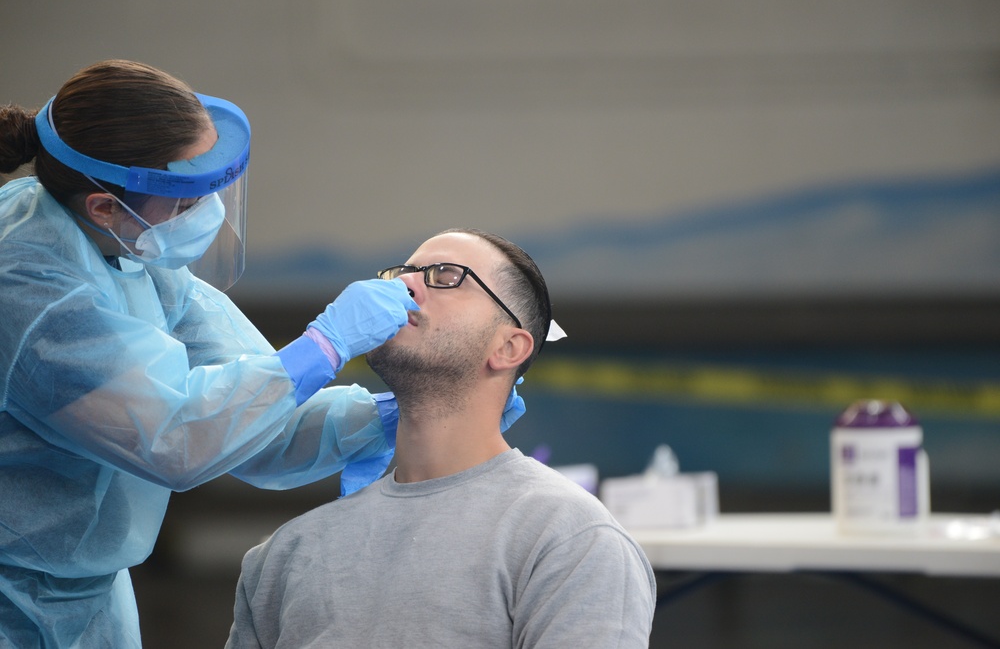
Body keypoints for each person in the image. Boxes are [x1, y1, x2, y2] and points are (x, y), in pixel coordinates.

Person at [0, 59, 454, 648]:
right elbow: (179, 439)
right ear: (104, 205)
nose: (208, 214)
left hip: (81, 594)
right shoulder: (30, 287)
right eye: (186, 201)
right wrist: (328, 342)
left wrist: (388, 415)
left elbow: (251, 425)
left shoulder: (133, 251)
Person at [227, 228, 656, 648]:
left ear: (509, 348)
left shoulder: (569, 539)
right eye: (403, 273)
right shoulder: (287, 554)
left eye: (447, 275)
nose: (407, 286)